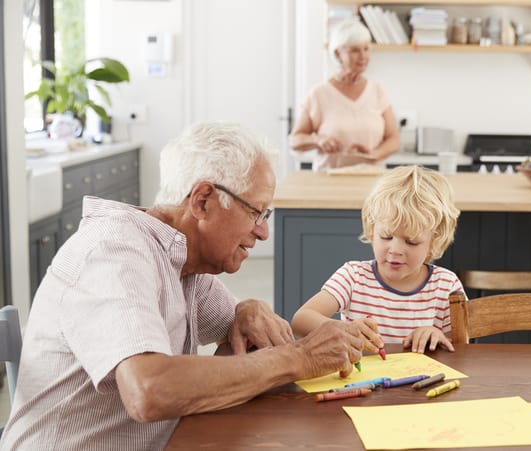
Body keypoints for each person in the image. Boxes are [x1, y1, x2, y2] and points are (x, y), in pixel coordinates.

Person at [0, 122, 364, 450]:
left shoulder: (186, 263)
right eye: (256, 212)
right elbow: (150, 391)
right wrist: (298, 358)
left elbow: (248, 347)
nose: (263, 231)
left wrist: (248, 309)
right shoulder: (113, 252)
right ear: (202, 201)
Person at [292, 165, 463, 354]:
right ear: (372, 231)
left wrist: (437, 335)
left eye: (411, 242)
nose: (396, 250)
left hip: (423, 381)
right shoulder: (353, 277)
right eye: (386, 237)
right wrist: (344, 330)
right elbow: (301, 320)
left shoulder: (446, 285)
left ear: (434, 241)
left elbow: (462, 347)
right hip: (360, 381)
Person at [290, 19, 400, 172]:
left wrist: (372, 155)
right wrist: (318, 140)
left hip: (372, 180)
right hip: (329, 180)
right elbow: (295, 140)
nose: (363, 56)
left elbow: (394, 139)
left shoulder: (377, 91)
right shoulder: (319, 94)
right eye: (355, 50)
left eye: (366, 49)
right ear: (337, 53)